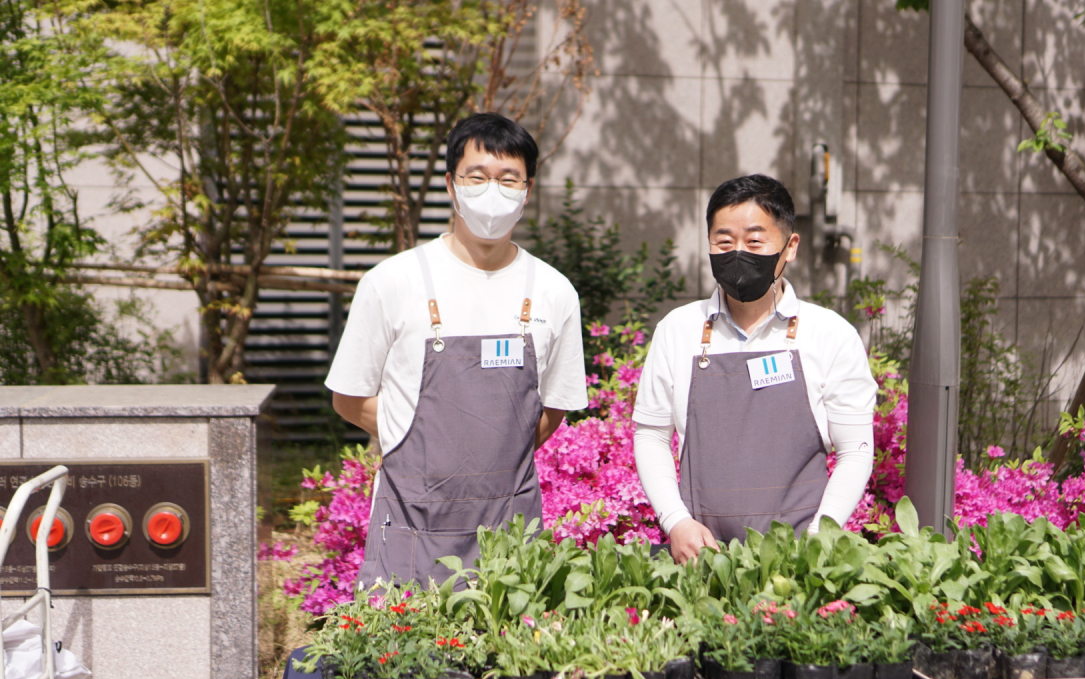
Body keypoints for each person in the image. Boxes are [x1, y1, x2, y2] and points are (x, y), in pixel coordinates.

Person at [326, 113, 588, 588]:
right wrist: (410, 438)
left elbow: (555, 406)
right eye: (477, 177)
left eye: (509, 180)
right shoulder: (392, 282)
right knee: (401, 657)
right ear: (451, 184)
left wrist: (491, 458)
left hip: (512, 532)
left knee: (510, 657)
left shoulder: (553, 291)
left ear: (527, 191)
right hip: (411, 524)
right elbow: (347, 398)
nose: (494, 192)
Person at [633, 174, 877, 563]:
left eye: (755, 241)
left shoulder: (830, 335)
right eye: (724, 242)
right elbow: (651, 435)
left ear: (790, 246)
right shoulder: (678, 330)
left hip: (799, 561)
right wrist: (676, 522)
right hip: (699, 559)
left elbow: (856, 450)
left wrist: (821, 535)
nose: (737, 253)